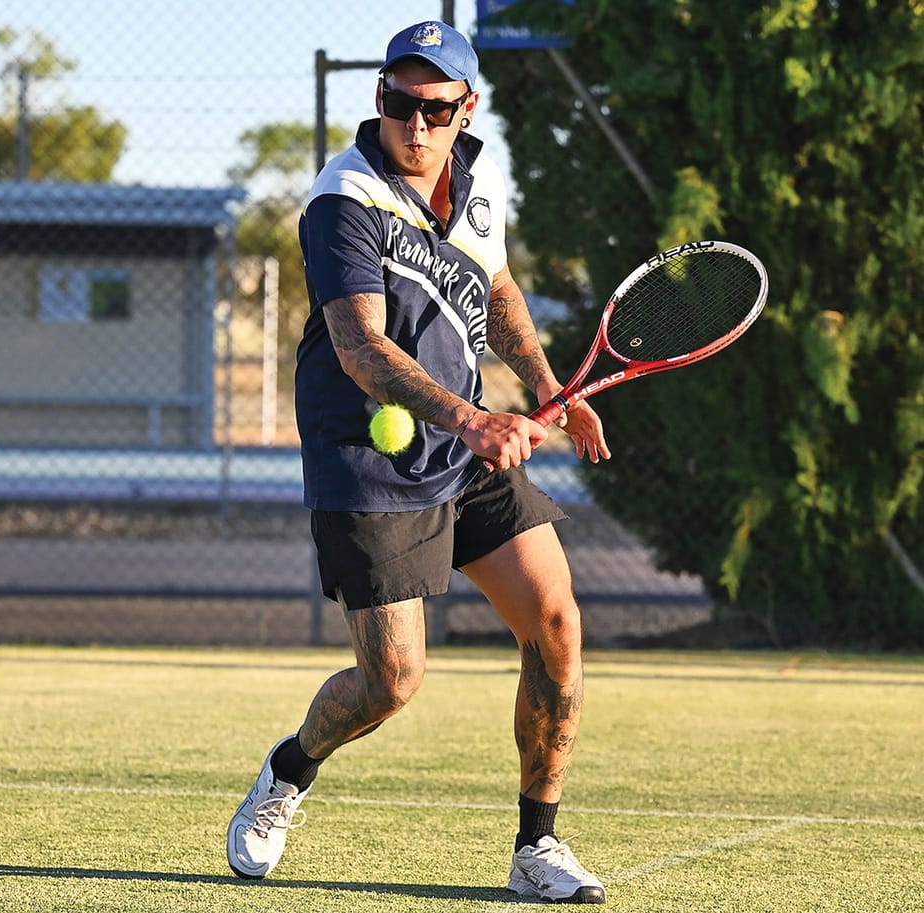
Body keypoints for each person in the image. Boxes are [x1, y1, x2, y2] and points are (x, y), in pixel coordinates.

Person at [227, 20, 610, 905]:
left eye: (437, 108)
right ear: (381, 98)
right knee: (390, 682)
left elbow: (497, 287)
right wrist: (476, 417)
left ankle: (536, 844)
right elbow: (360, 347)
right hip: (366, 460)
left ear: (466, 108)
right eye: (402, 103)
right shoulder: (345, 198)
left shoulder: (478, 184)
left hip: (465, 456)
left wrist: (549, 386)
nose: (417, 124)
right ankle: (290, 768)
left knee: (556, 621)